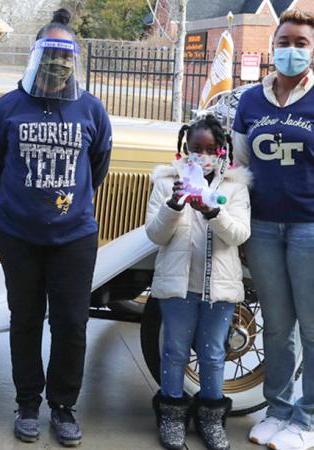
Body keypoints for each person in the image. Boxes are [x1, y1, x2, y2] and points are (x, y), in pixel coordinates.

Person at [0, 7, 112, 447]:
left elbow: (97, 168)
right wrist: (25, 203)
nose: (58, 63)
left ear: (75, 60)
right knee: (25, 319)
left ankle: (62, 406)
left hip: (73, 237)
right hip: (17, 235)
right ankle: (26, 403)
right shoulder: (9, 107)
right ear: (36, 56)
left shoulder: (92, 109)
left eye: (66, 56)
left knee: (71, 323)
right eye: (51, 54)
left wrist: (65, 203)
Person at [232, 9, 314, 450]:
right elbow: (240, 167)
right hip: (262, 227)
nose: (291, 50)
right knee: (277, 328)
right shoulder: (250, 101)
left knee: (312, 329)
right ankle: (278, 410)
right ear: (272, 45)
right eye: (285, 42)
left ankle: (307, 420)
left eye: (301, 43)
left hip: (309, 229)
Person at [146, 115, 251, 450]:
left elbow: (239, 234)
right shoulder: (167, 182)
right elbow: (155, 234)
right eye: (196, 148)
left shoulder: (234, 187)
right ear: (185, 148)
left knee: (213, 354)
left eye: (210, 149)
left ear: (221, 150)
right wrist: (174, 205)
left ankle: (210, 419)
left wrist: (212, 212)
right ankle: (172, 416)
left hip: (219, 289)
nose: (202, 155)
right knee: (174, 351)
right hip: (178, 286)